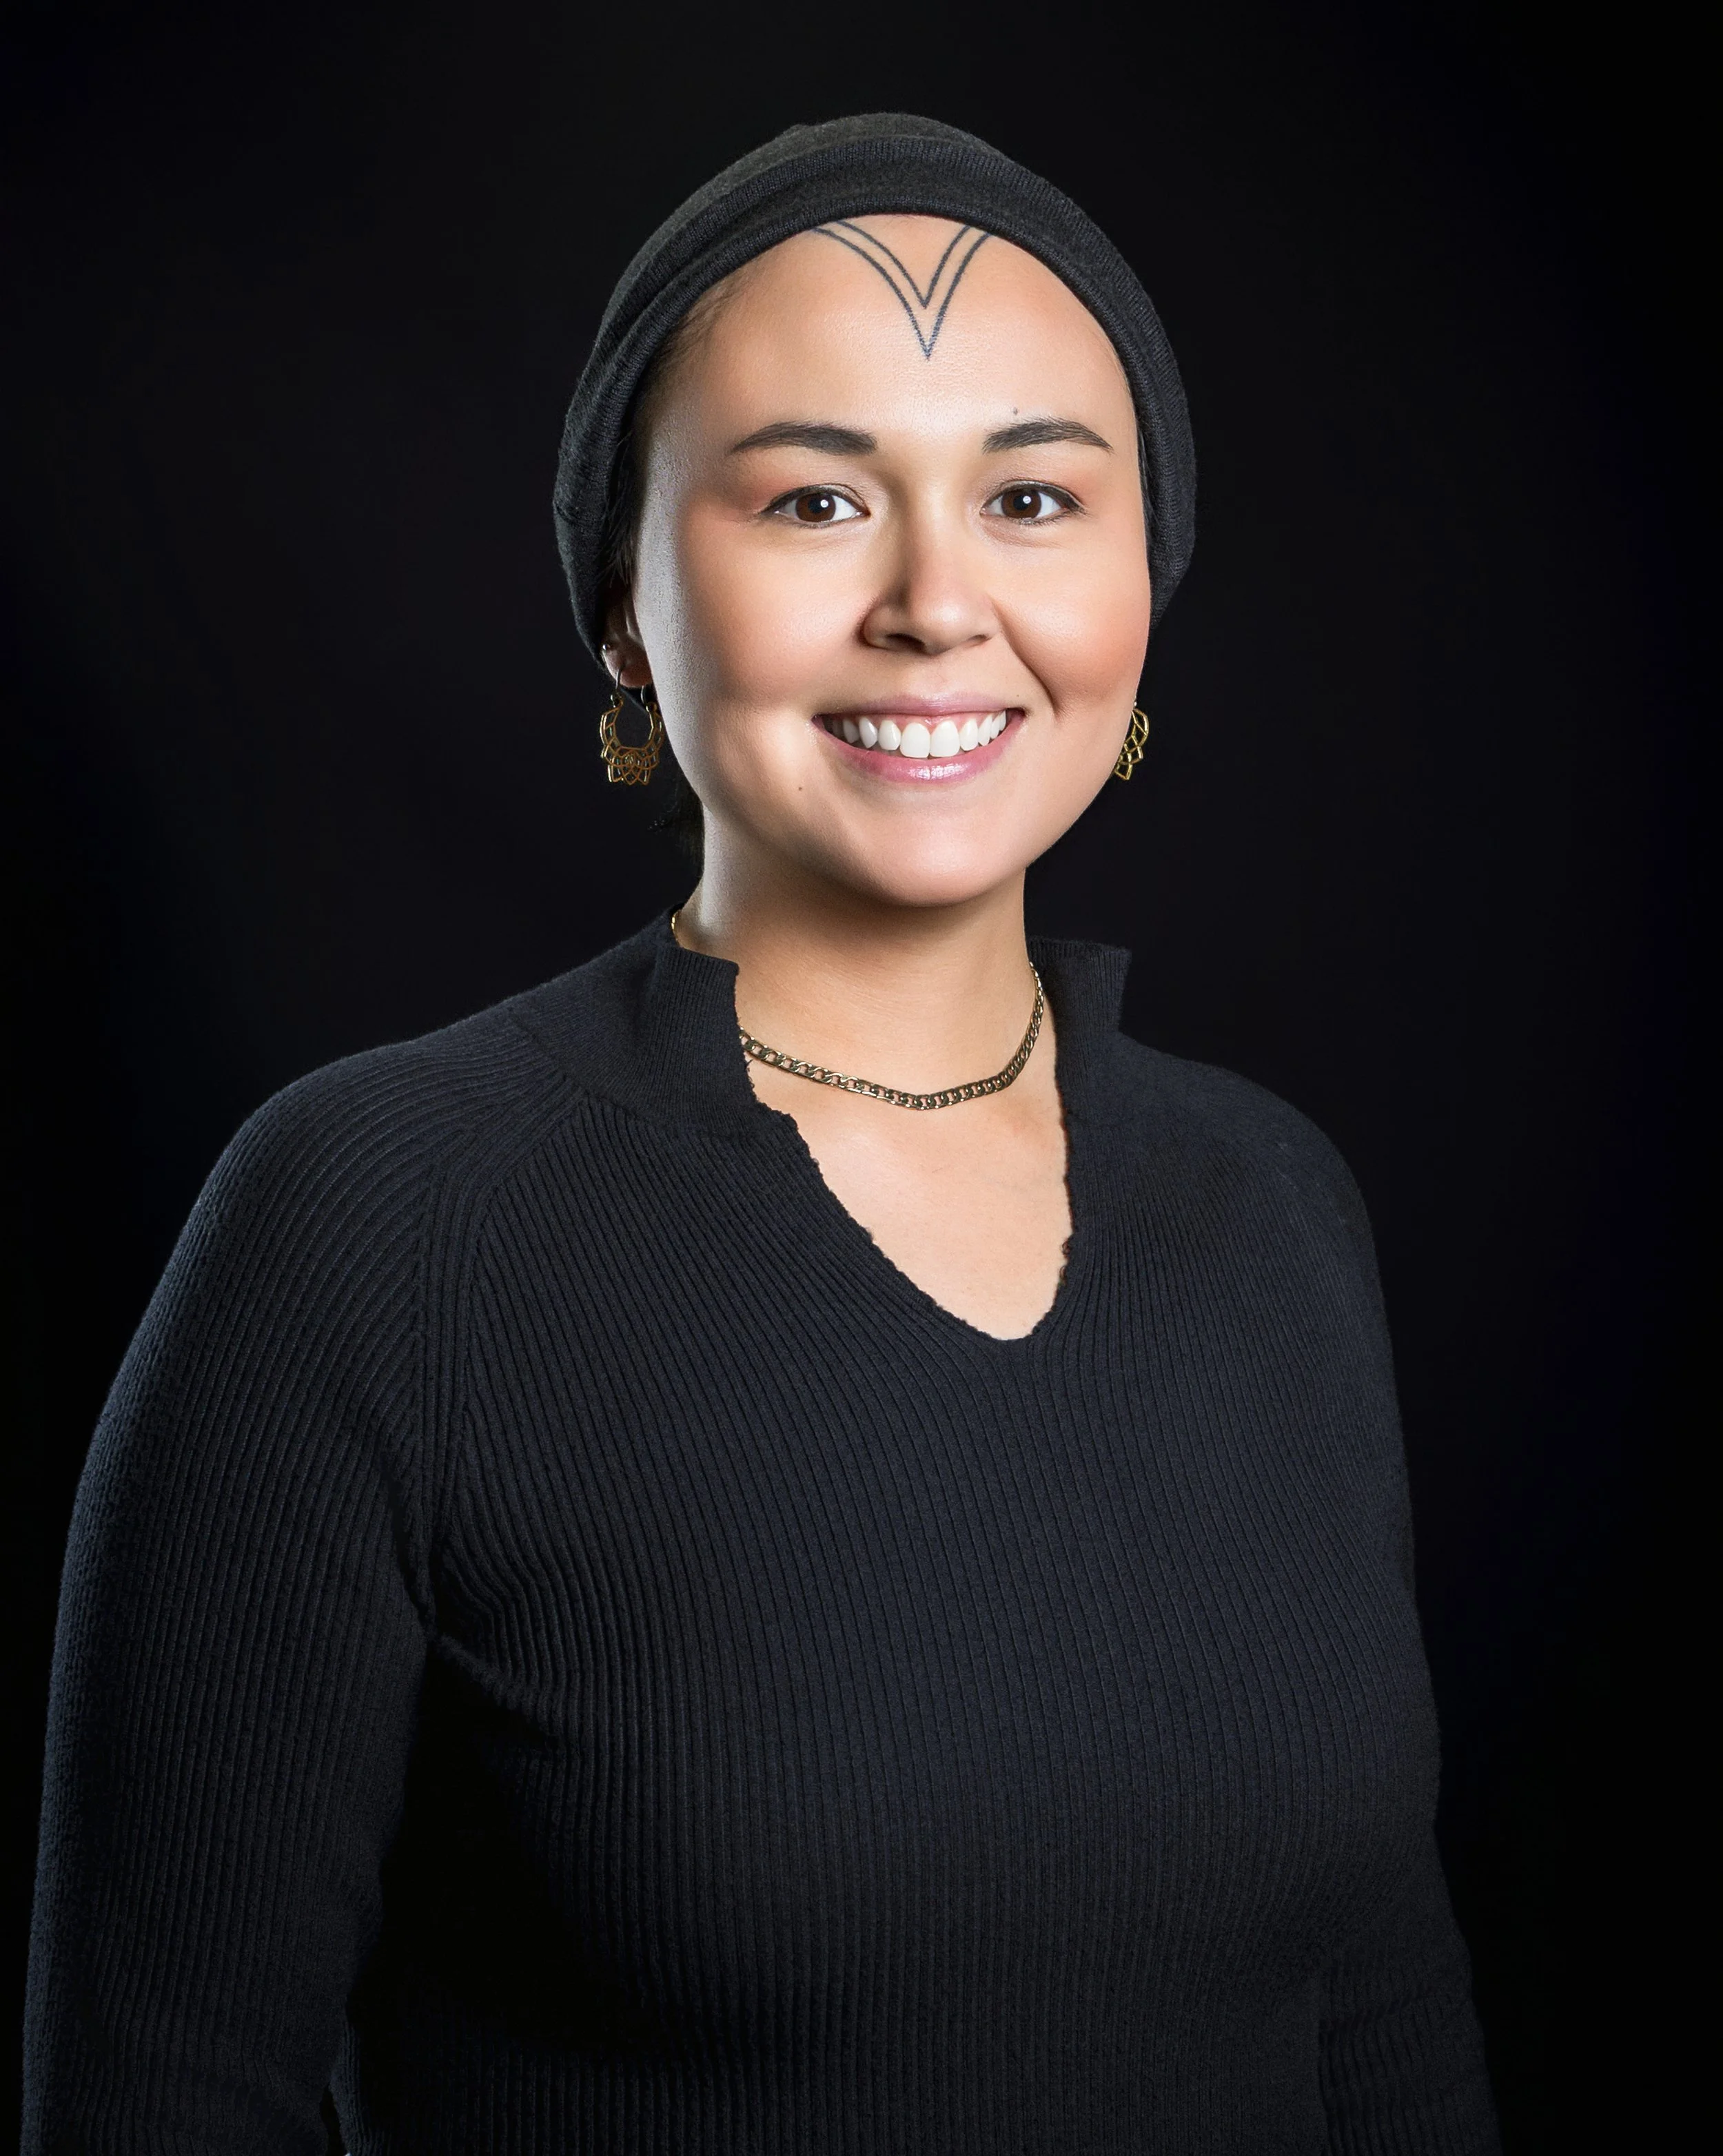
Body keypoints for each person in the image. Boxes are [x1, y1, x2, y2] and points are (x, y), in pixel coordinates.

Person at [24, 114, 1500, 2153]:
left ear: (1138, 585)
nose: (934, 602)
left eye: (1034, 497)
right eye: (814, 497)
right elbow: (164, 2096)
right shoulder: (377, 1228)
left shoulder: (1271, 1205)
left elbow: (1380, 2021)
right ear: (624, 609)